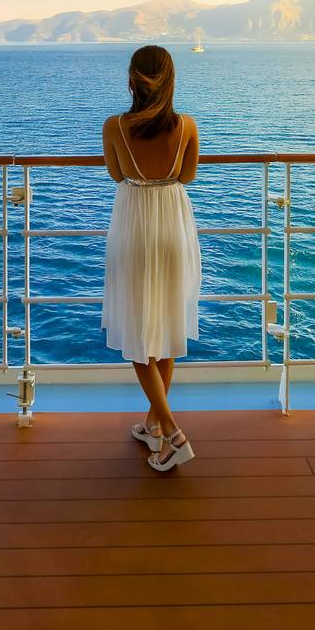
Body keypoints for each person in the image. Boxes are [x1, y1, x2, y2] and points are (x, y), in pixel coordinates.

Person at [101, 44, 202, 472]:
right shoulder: (187, 127)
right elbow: (187, 175)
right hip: (174, 229)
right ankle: (153, 427)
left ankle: (174, 433)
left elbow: (116, 173)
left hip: (135, 230)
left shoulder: (114, 127)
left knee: (140, 342)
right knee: (164, 331)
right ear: (171, 81)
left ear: (131, 80)